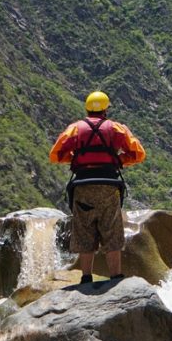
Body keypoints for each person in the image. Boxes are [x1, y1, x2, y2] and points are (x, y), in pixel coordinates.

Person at [49, 91, 146, 284]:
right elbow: (138, 154)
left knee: (84, 231)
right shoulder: (117, 129)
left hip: (82, 186)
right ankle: (116, 276)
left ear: (87, 109)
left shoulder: (75, 129)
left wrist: (76, 159)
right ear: (105, 110)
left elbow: (55, 155)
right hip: (109, 186)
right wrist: (119, 160)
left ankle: (86, 277)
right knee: (112, 231)